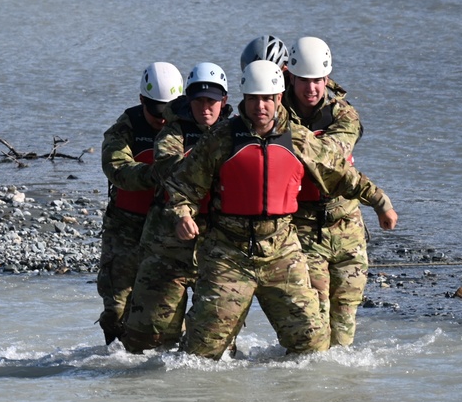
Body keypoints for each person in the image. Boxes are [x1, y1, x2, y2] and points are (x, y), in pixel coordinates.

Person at [165, 60, 397, 360]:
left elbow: (342, 175)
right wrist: (182, 214)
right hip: (228, 253)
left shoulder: (298, 139)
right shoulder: (220, 139)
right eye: (253, 99)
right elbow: (182, 185)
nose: (260, 106)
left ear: (278, 98)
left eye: (266, 99)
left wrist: (381, 203)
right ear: (244, 99)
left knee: (314, 349)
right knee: (199, 356)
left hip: (283, 252)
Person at [284, 36, 398, 347]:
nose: (312, 89)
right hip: (303, 226)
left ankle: (339, 390)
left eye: (318, 81)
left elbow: (330, 159)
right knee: (314, 327)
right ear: (291, 77)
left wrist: (288, 137)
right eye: (305, 81)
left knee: (344, 329)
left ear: (327, 79)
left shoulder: (344, 115)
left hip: (347, 225)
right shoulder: (274, 112)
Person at [121, 62, 232, 354]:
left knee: (216, 346)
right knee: (147, 344)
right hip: (167, 248)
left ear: (224, 101)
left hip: (218, 249)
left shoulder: (237, 133)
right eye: (198, 101)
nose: (205, 108)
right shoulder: (173, 133)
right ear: (188, 101)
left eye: (211, 101)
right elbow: (170, 167)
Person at [97, 62, 183, 345]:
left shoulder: (186, 126)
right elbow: (117, 168)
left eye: (169, 111)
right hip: (127, 226)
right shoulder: (126, 128)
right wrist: (154, 174)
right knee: (117, 308)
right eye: (157, 111)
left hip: (170, 227)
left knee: (165, 305)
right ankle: (114, 361)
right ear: (142, 101)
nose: (162, 119)